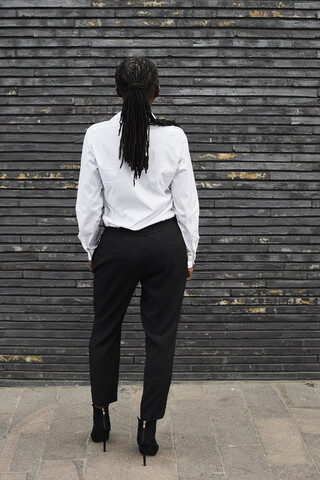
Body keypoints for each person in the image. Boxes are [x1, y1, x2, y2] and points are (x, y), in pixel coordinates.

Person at [75, 56, 199, 465]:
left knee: (104, 329)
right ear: (156, 91)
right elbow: (187, 204)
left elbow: (88, 202)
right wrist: (190, 251)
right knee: (160, 337)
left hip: (116, 245)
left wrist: (92, 247)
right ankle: (148, 429)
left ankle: (100, 417)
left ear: (116, 90)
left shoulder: (96, 135)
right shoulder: (175, 136)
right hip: (164, 244)